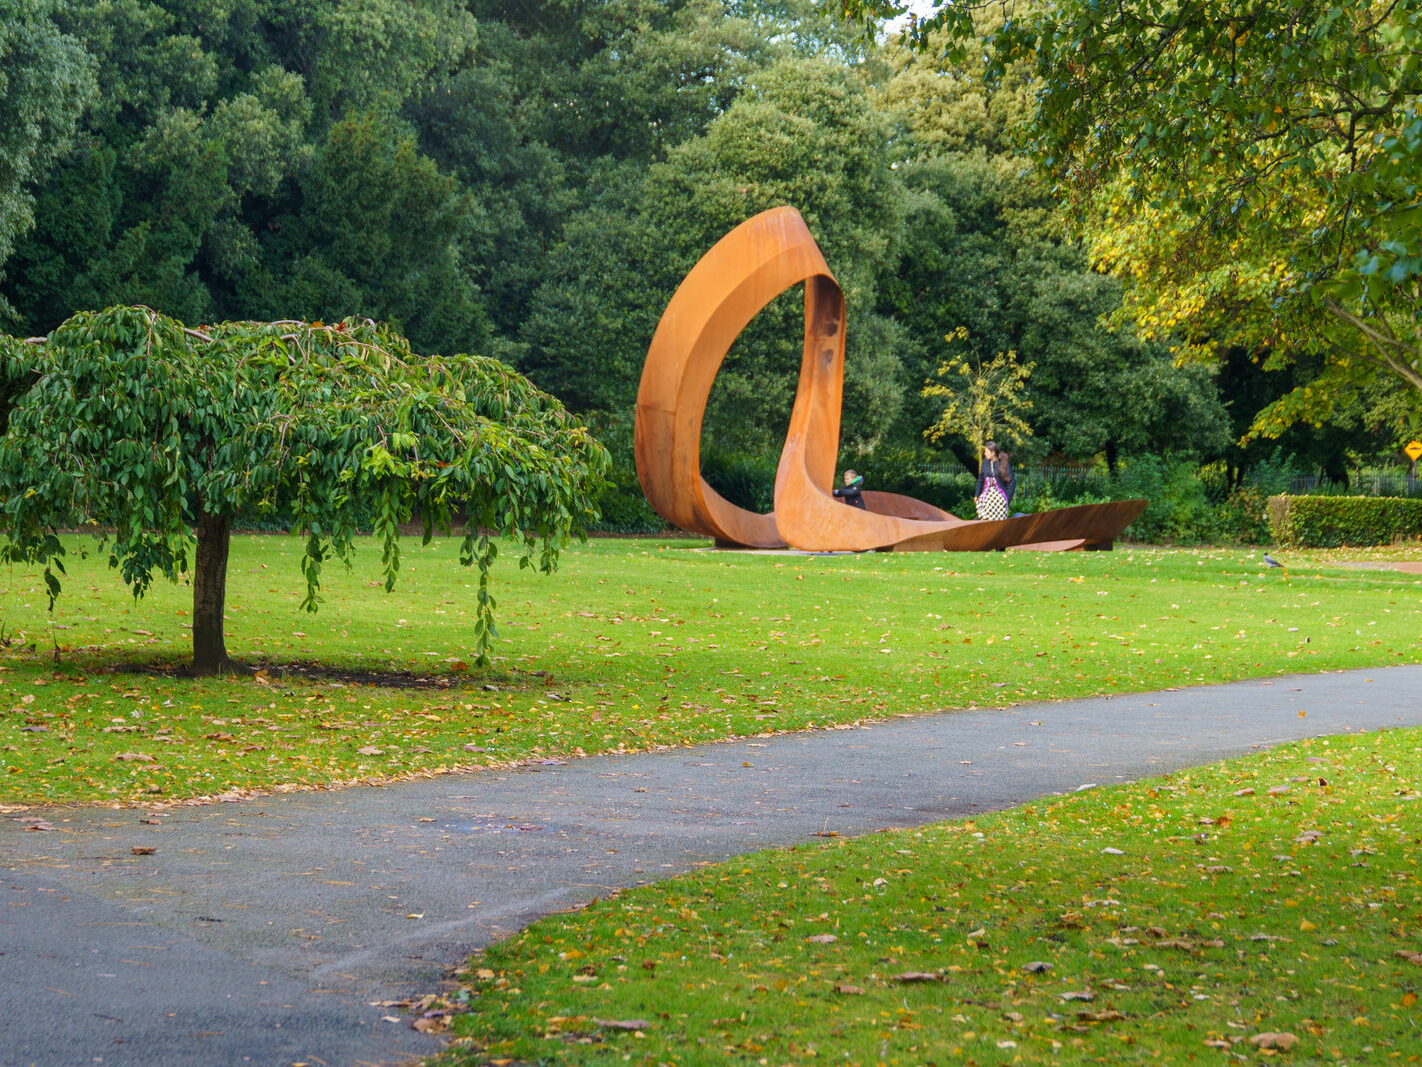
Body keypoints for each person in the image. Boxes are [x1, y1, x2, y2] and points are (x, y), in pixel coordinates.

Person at [974, 442, 1009, 520]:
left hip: (999, 495)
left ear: (993, 452)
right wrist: (977, 494)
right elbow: (980, 479)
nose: (985, 454)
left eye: (986, 452)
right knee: (983, 509)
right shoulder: (985, 463)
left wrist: (1007, 498)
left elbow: (1011, 482)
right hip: (987, 493)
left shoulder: (1002, 463)